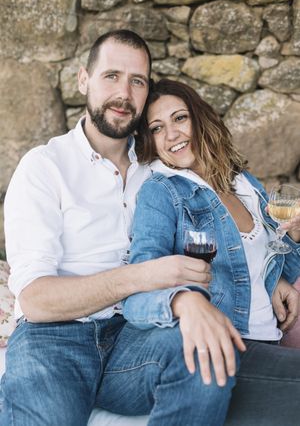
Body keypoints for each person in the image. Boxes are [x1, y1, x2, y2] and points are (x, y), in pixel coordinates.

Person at [0, 31, 212, 425]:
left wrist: (280, 269)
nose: (124, 93)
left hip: (136, 334)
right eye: (111, 76)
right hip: (53, 340)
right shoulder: (45, 166)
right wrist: (141, 276)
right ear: (84, 80)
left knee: (205, 351)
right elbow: (36, 301)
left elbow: (225, 206)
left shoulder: (159, 168)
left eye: (137, 81)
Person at [122, 78, 300, 425]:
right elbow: (139, 287)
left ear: (200, 118)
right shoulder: (163, 192)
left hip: (270, 339)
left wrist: (280, 268)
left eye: (180, 118)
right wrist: (184, 302)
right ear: (150, 142)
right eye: (157, 128)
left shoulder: (245, 183)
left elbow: (277, 257)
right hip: (228, 345)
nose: (171, 134)